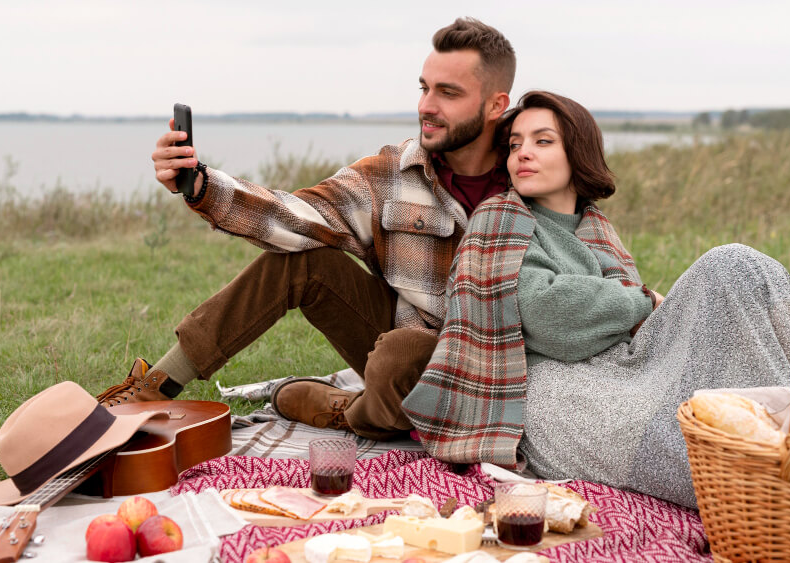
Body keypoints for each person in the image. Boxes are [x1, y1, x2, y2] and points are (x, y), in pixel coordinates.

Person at [401, 90, 790, 508]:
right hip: (544, 387)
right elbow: (550, 318)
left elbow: (630, 333)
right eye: (515, 144)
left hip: (625, 370)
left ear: (577, 151)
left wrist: (641, 311)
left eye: (542, 141)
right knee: (667, 431)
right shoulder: (497, 222)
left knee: (735, 264)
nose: (523, 153)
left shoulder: (599, 230)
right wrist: (644, 302)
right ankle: (787, 482)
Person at [94, 18, 516, 441]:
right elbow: (298, 215)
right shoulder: (393, 172)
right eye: (424, 88)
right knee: (316, 271)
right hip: (405, 353)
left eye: (448, 93)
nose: (426, 106)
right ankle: (153, 390)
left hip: (498, 368)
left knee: (399, 358)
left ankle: (352, 411)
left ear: (496, 105)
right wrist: (203, 186)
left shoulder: (533, 177)